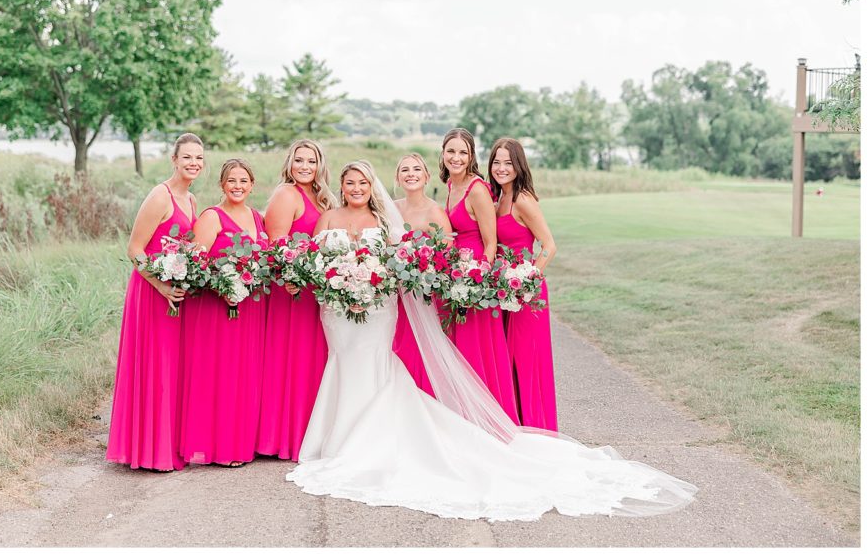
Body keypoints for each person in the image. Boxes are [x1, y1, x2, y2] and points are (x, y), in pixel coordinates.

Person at [286, 161, 697, 521]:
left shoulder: (384, 221)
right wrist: (333, 281)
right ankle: (336, 437)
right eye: (350, 183)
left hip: (377, 308)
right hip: (337, 310)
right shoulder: (328, 218)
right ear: (342, 186)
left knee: (374, 362)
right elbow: (313, 260)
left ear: (372, 185)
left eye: (363, 182)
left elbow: (398, 263)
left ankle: (367, 441)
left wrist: (371, 283)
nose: (357, 188)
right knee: (343, 361)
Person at [107, 132, 203, 471]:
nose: (193, 163)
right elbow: (134, 249)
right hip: (151, 292)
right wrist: (160, 286)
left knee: (171, 366)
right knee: (154, 364)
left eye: (199, 158)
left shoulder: (191, 199)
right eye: (187, 157)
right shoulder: (160, 196)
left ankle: (165, 444)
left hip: (175, 292)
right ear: (174, 160)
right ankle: (147, 450)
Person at [179, 159, 268, 467]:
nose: (237, 186)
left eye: (243, 181)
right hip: (218, 309)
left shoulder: (257, 217)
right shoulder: (212, 217)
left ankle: (241, 443)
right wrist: (222, 286)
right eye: (232, 180)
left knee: (245, 375)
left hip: (251, 309)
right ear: (222, 184)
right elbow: (194, 264)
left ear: (252, 185)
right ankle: (220, 448)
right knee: (221, 374)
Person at [256, 140, 337, 460]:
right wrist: (290, 277)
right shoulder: (286, 194)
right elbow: (275, 244)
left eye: (311, 161)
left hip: (313, 291)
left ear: (320, 165)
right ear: (289, 163)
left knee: (311, 361)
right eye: (299, 160)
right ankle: (281, 437)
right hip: (289, 290)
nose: (305, 166)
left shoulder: (323, 197)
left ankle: (309, 433)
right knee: (289, 359)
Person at [440, 128, 518, 422]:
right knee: (458, 352)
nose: (456, 158)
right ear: (443, 154)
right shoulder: (451, 185)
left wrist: (475, 281)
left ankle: (489, 421)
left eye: (463, 152)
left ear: (471, 156)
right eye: (451, 151)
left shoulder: (477, 189)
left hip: (474, 282)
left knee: (477, 352)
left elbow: (491, 243)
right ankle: (463, 418)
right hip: (455, 278)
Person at [489, 138, 558, 432]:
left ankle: (535, 427)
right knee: (508, 360)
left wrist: (526, 282)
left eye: (508, 162)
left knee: (526, 361)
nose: (501, 168)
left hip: (526, 293)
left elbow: (549, 246)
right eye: (496, 162)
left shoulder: (522, 200)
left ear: (518, 165)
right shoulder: (497, 199)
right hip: (504, 292)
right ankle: (514, 426)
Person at [392, 153, 452, 396]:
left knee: (421, 349)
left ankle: (426, 397)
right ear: (397, 177)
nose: (411, 174)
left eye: (416, 169)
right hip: (396, 294)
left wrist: (420, 270)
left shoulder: (435, 212)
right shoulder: (391, 209)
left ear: (427, 176)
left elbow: (447, 255)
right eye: (405, 170)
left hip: (424, 295)